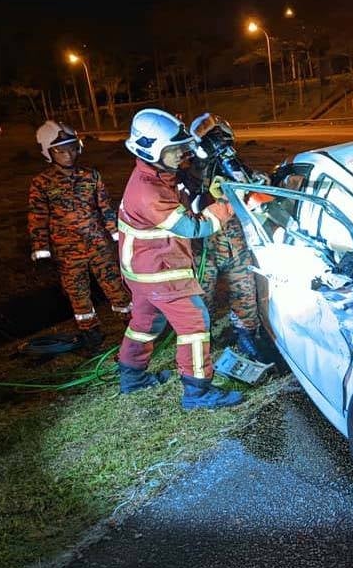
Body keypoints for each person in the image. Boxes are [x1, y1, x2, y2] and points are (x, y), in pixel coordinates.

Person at [116, 108, 243, 409]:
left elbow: (181, 204)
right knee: (196, 323)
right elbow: (192, 226)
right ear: (152, 150)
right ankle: (198, 391)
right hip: (160, 270)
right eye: (174, 150)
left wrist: (200, 195)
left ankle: (131, 377)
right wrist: (225, 206)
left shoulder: (153, 175)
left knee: (145, 322)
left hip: (141, 269)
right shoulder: (148, 191)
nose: (181, 155)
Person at [29, 121, 132, 352]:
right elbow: (38, 218)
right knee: (78, 293)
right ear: (48, 152)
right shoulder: (41, 183)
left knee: (115, 285)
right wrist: (41, 250)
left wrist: (117, 236)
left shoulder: (91, 176)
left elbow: (105, 208)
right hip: (67, 252)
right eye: (61, 150)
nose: (68, 154)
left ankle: (133, 325)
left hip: (98, 245)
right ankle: (90, 332)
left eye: (72, 148)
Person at [188, 113, 262, 362]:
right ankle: (201, 345)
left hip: (236, 245)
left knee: (244, 292)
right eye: (213, 141)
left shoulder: (234, 167)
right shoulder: (188, 176)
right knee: (200, 298)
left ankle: (246, 336)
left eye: (222, 139)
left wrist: (260, 182)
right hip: (203, 249)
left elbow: (254, 192)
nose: (220, 146)